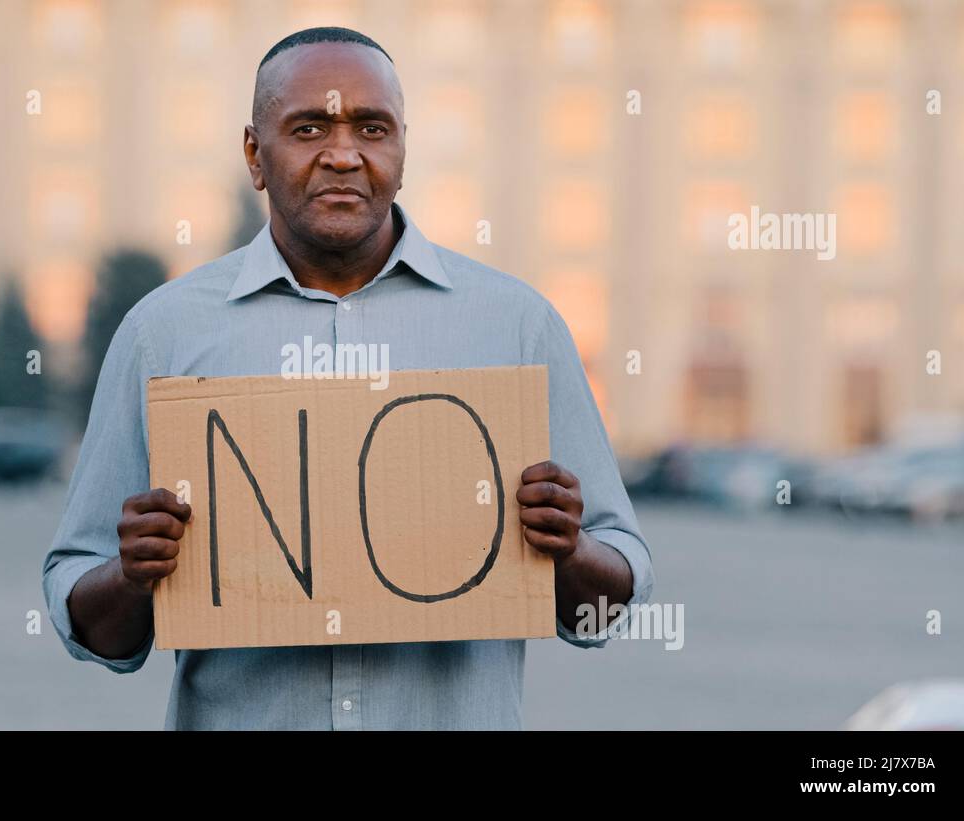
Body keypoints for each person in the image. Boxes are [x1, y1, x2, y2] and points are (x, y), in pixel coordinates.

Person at [43, 26, 653, 730]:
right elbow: (92, 628)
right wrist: (132, 574)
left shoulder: (518, 328)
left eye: (372, 127)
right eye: (308, 128)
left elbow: (611, 607)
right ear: (254, 155)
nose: (342, 153)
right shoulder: (163, 335)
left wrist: (569, 550)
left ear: (401, 150)